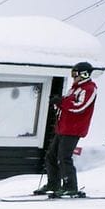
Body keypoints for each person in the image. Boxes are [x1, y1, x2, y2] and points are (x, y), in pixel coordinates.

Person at [35, 61, 98, 197]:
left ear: (85, 74)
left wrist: (62, 102)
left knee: (64, 157)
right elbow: (67, 106)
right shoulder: (74, 88)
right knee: (51, 156)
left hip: (73, 129)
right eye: (72, 74)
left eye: (75, 74)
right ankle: (54, 183)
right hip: (63, 128)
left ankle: (70, 186)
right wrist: (57, 103)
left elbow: (79, 107)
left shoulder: (89, 88)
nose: (73, 77)